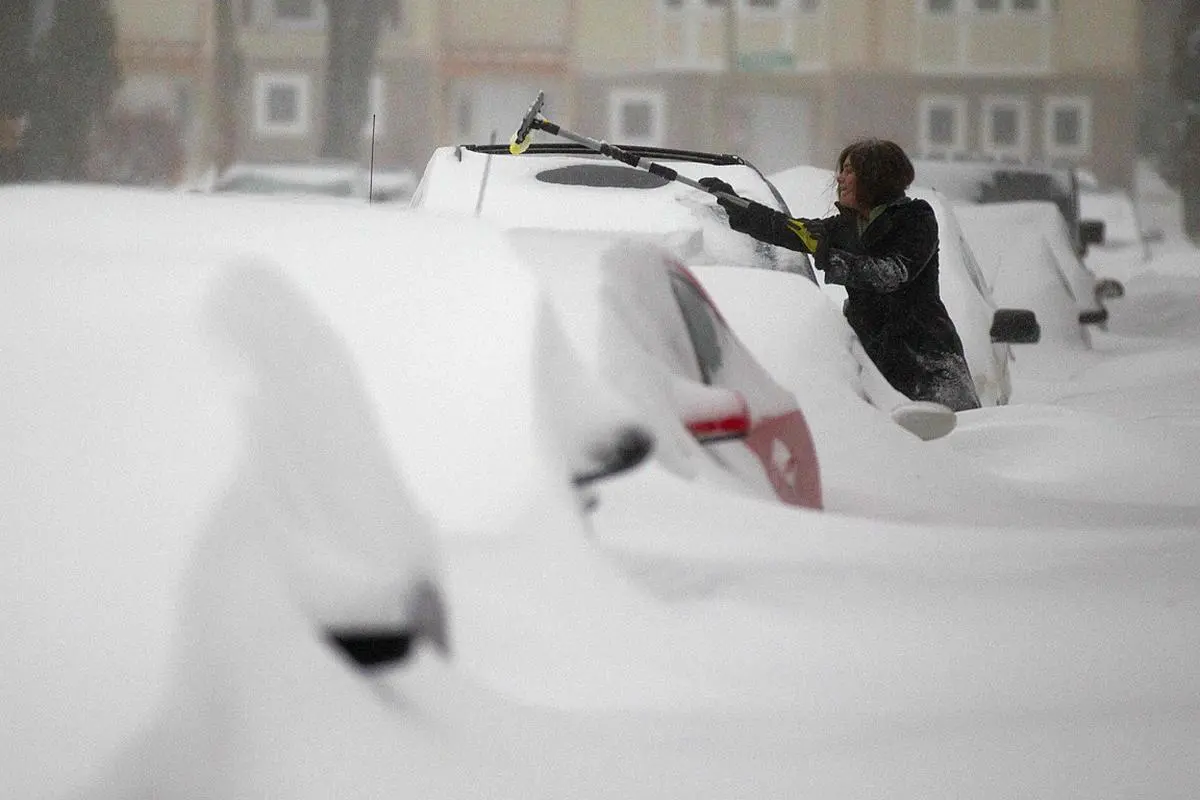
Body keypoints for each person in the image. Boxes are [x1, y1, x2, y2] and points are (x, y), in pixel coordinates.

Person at [699, 138, 981, 412]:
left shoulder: (914, 217)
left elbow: (892, 273)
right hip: (875, 367)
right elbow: (788, 229)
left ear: (875, 177)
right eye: (841, 170)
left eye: (849, 170)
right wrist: (735, 204)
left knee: (945, 448)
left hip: (925, 364)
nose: (840, 178)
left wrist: (831, 257)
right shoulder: (846, 227)